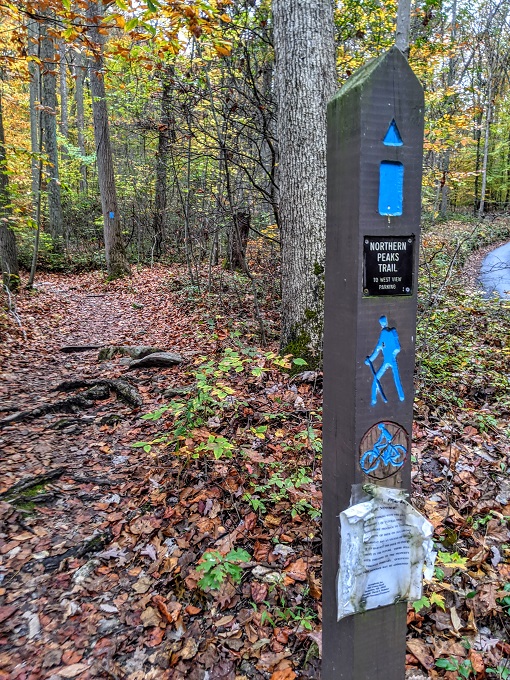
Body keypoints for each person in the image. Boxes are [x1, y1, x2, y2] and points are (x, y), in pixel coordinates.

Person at [365, 316, 404, 406]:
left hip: (389, 359)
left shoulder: (384, 334)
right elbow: (382, 347)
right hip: (390, 359)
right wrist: (370, 360)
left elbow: (378, 349)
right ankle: (375, 398)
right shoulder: (391, 333)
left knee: (377, 379)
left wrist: (370, 360)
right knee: (396, 379)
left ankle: (374, 398)